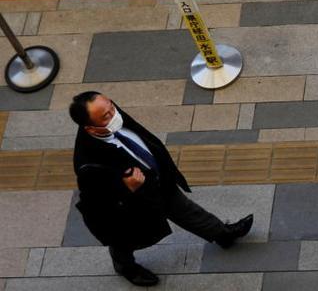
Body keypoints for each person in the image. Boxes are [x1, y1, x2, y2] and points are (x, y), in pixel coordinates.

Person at [69, 91, 253, 287]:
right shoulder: (88, 164)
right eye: (106, 115)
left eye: (112, 106)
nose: (114, 114)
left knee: (188, 211)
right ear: (91, 128)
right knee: (124, 241)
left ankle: (222, 234)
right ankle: (125, 267)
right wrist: (126, 189)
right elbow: (97, 205)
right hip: (134, 206)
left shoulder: (114, 118)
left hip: (159, 183)